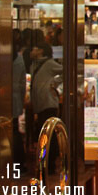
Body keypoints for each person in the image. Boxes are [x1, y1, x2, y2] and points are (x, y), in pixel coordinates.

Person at [30, 41, 63, 172]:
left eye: (35, 48)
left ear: (41, 51)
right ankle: (46, 161)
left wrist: (55, 83)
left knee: (49, 133)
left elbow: (67, 69)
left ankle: (50, 162)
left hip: (48, 102)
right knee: (44, 132)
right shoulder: (35, 64)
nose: (32, 50)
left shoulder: (48, 64)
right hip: (41, 103)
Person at [12, 29, 27, 170]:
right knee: (15, 131)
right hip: (15, 98)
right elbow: (23, 82)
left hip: (2, 99)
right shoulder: (19, 59)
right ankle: (19, 164)